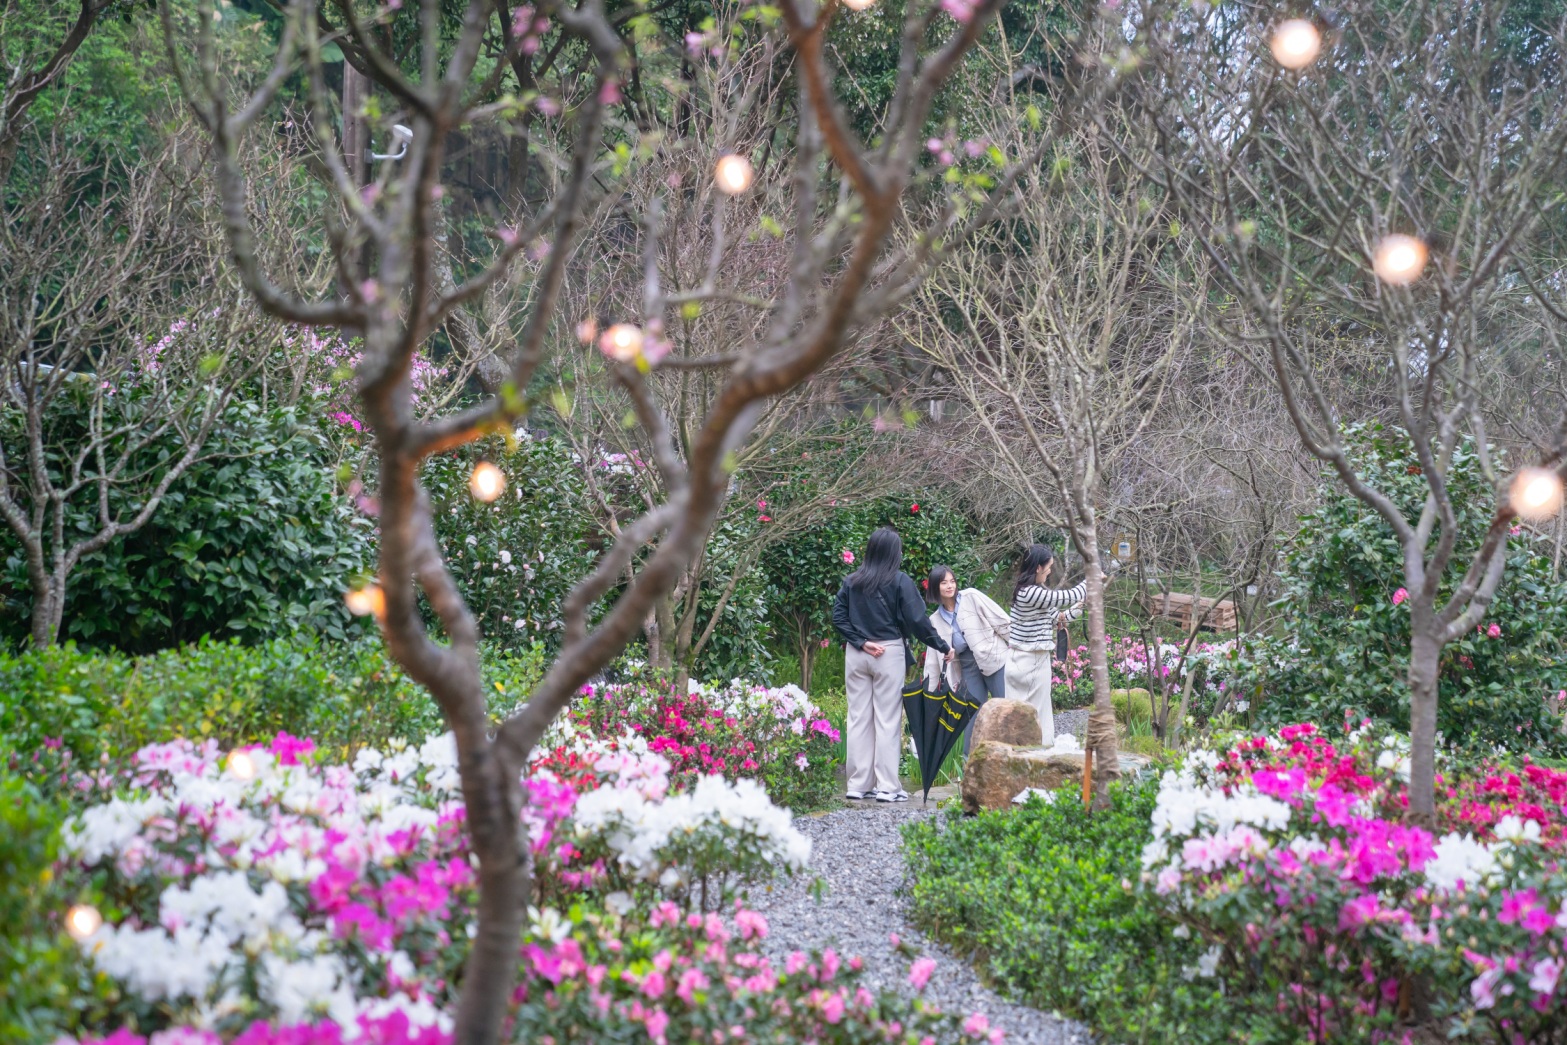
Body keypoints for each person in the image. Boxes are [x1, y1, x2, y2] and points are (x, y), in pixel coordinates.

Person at [832, 527, 953, 803]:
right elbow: (918, 621)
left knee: (858, 718)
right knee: (887, 720)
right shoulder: (899, 581)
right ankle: (887, 788)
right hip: (887, 653)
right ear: (892, 553)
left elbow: (838, 617)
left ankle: (858, 785)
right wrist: (943, 646)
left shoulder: (852, 581)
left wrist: (862, 642)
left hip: (856, 654)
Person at [922, 565, 1010, 756]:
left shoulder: (971, 596)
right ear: (935, 587)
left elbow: (1000, 619)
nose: (949, 586)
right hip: (967, 665)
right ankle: (969, 764)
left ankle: (1012, 755)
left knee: (1004, 707)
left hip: (993, 657)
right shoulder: (935, 620)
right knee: (970, 714)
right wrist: (929, 693)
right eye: (944, 582)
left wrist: (1018, 647)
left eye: (952, 581)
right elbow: (932, 660)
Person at [1008, 544, 1085, 744]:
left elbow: (1058, 618)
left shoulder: (1027, 592)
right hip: (1031, 662)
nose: (1050, 570)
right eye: (1048, 566)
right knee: (1038, 717)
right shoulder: (1032, 593)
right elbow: (1065, 597)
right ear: (1037, 568)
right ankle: (1038, 761)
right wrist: (1091, 581)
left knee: (1019, 720)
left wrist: (1078, 609)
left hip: (1021, 661)